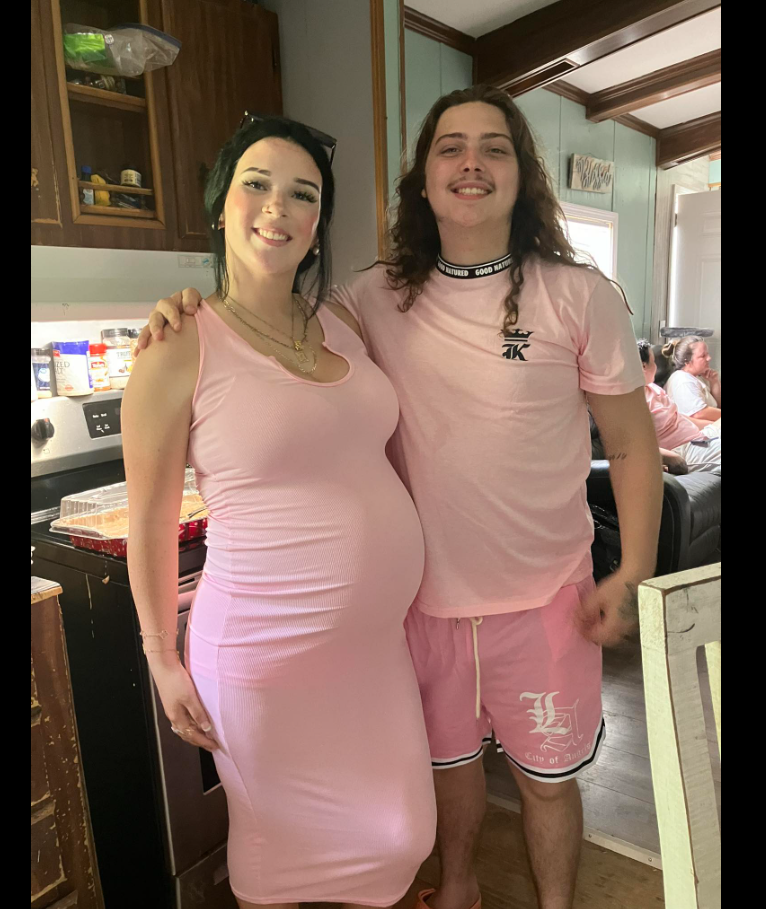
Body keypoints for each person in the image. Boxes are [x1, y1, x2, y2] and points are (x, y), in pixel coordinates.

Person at [137, 86, 663, 909]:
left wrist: (631, 570)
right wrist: (182, 304)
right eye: (451, 146)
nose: (471, 163)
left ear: (522, 174)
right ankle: (458, 890)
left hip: (546, 603)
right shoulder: (368, 300)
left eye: (495, 147)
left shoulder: (578, 293)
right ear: (423, 177)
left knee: (547, 783)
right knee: (445, 779)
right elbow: (258, 322)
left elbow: (632, 443)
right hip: (418, 613)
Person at [122, 115, 436, 909]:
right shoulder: (178, 344)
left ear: (318, 222)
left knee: (402, 834)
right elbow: (150, 522)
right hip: (262, 657)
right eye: (256, 184)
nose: (277, 207)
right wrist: (162, 658)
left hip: (373, 652)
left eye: (303, 194)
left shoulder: (342, 323)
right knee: (275, 852)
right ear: (220, 205)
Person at [638, 340, 721, 476]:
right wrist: (668, 459)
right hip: (683, 448)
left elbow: (678, 417)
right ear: (643, 366)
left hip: (698, 437)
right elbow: (634, 444)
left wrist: (712, 428)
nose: (709, 358)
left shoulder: (653, 388)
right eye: (653, 362)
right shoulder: (633, 402)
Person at [663, 335, 722, 420]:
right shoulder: (683, 380)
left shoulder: (699, 376)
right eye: (703, 356)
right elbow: (699, 413)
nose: (709, 358)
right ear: (687, 361)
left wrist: (714, 382)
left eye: (707, 354)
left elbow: (718, 406)